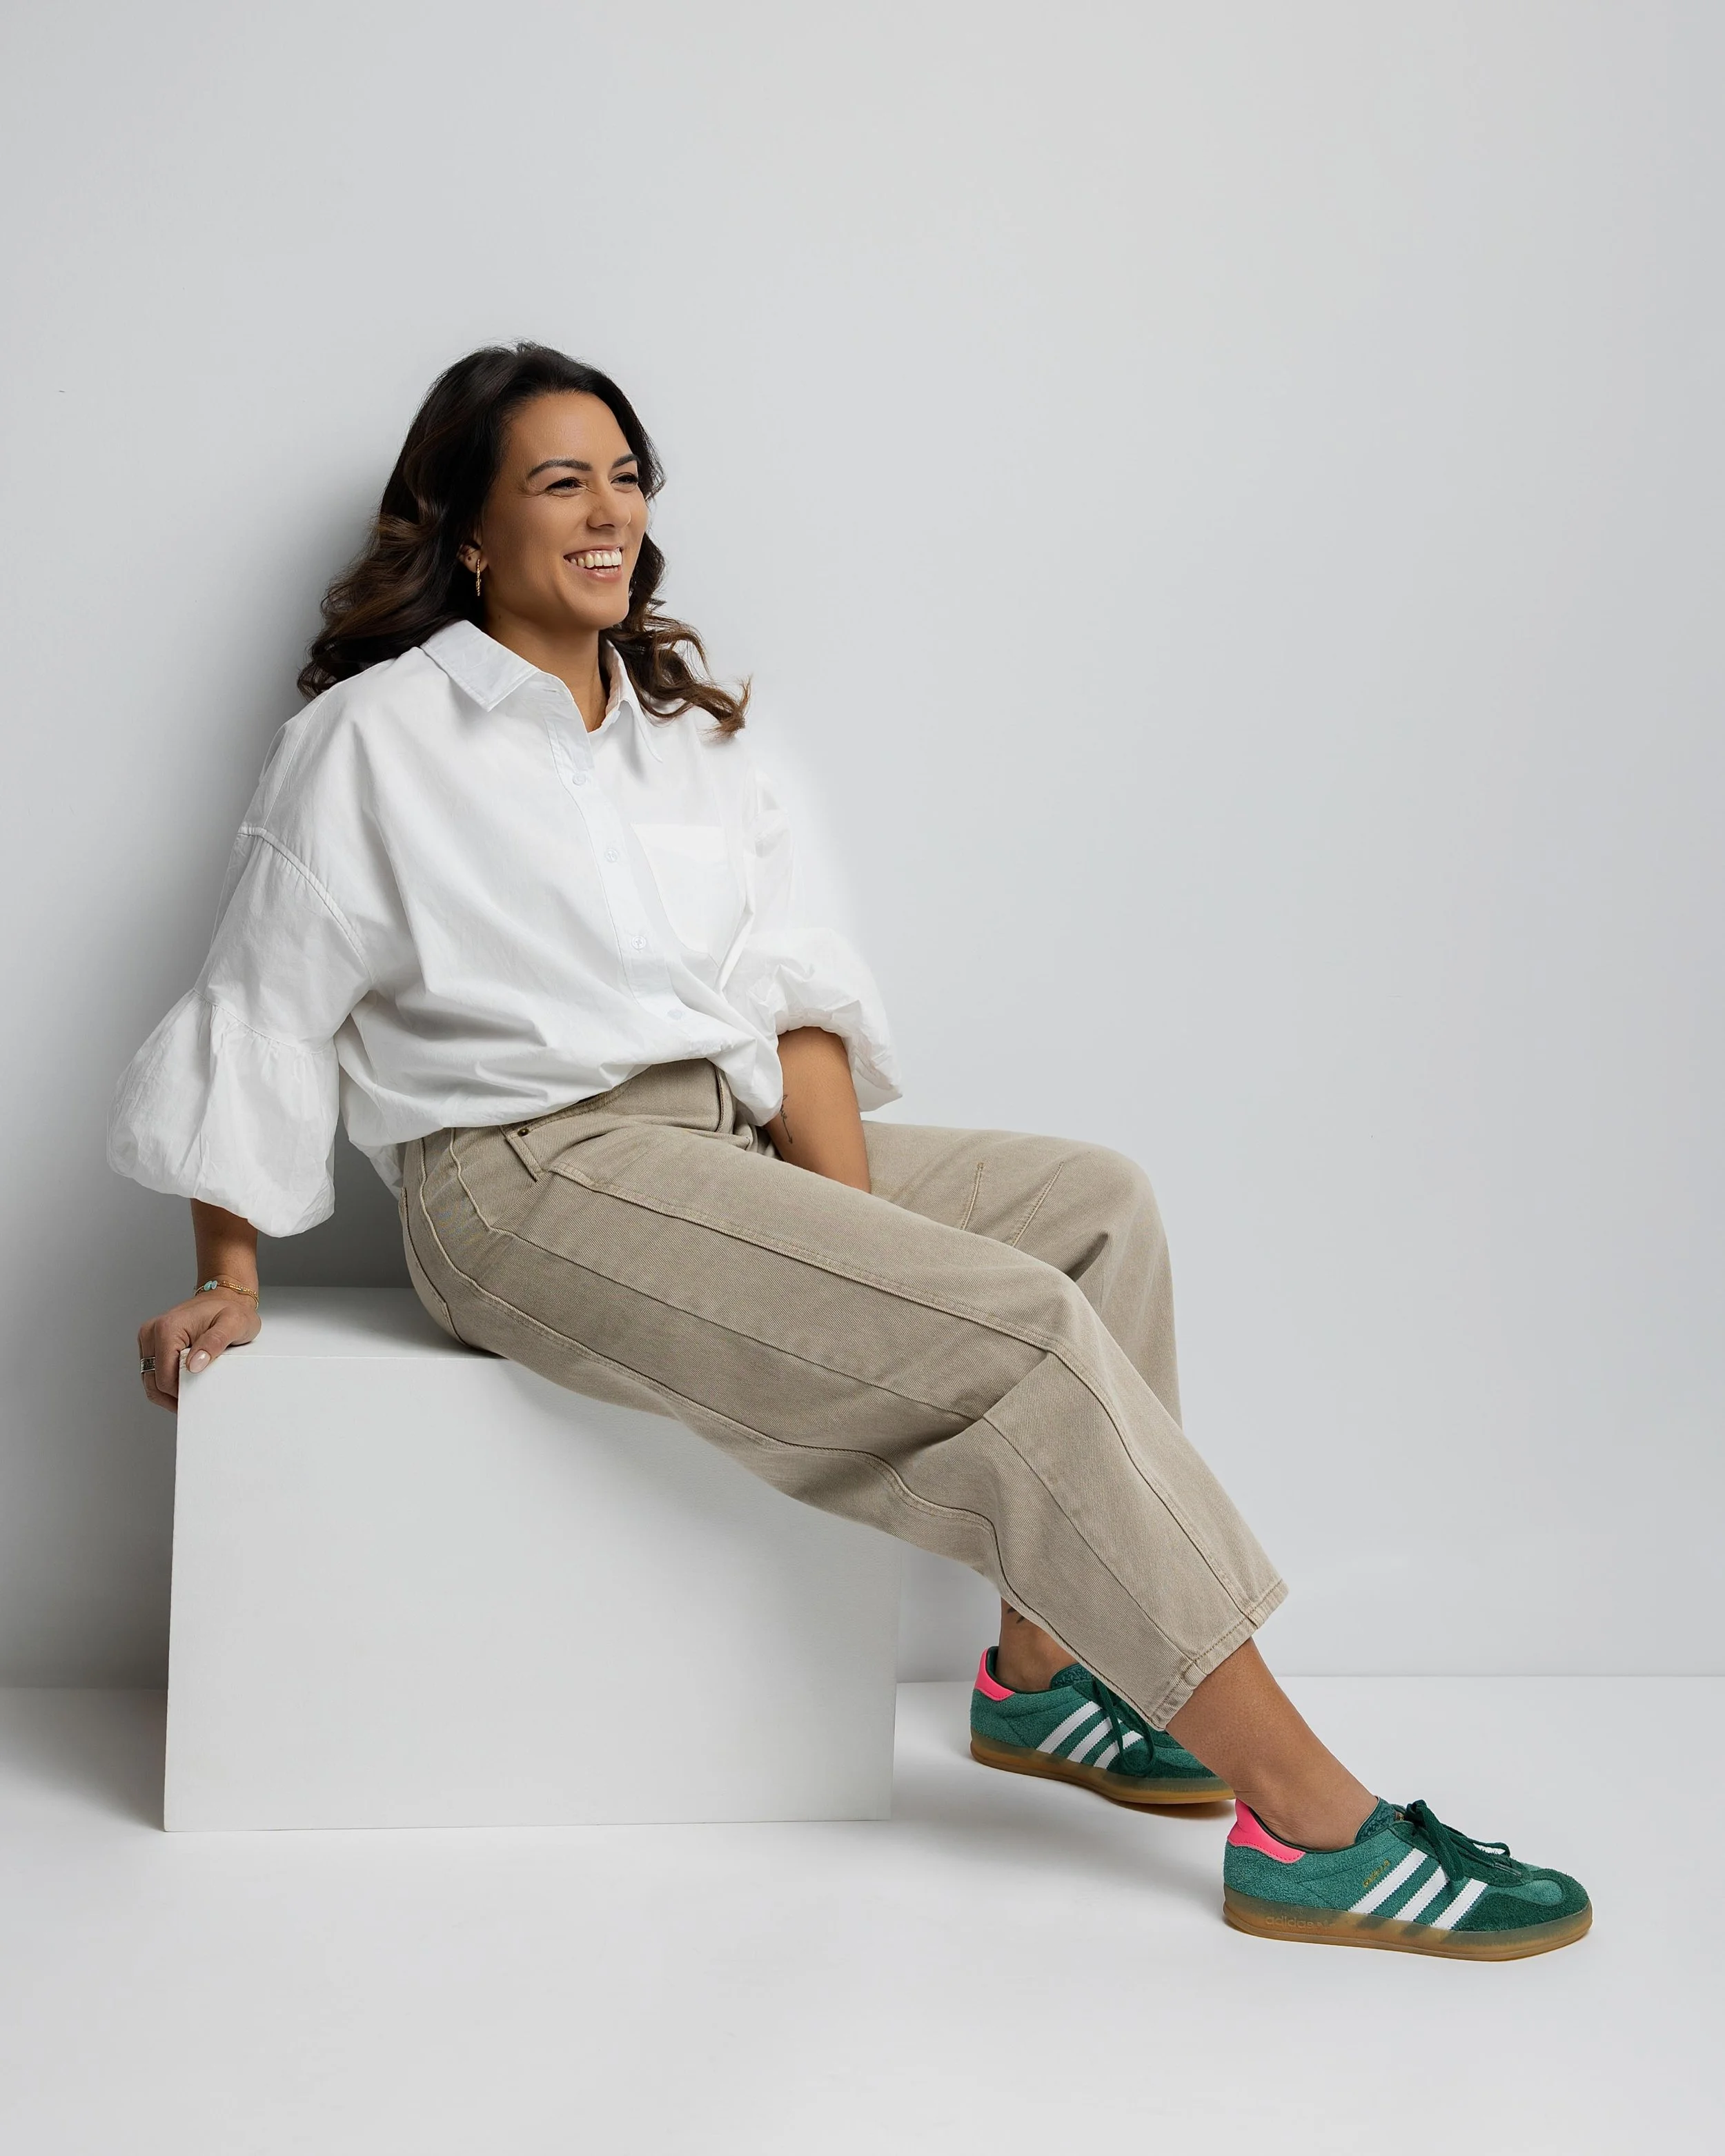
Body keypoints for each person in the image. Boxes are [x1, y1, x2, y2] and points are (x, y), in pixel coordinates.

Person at [112, 342, 1588, 1959]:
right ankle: (1312, 1819)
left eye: (625, 472)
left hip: (717, 1137)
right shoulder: (373, 743)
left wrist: (846, 1239)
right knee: (1011, 1331)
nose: (608, 510)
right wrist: (227, 1271)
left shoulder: (689, 730)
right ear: (466, 528)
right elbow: (258, 1000)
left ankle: (1046, 1683)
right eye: (558, 481)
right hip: (519, 1177)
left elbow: (798, 1002)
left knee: (1093, 1211)